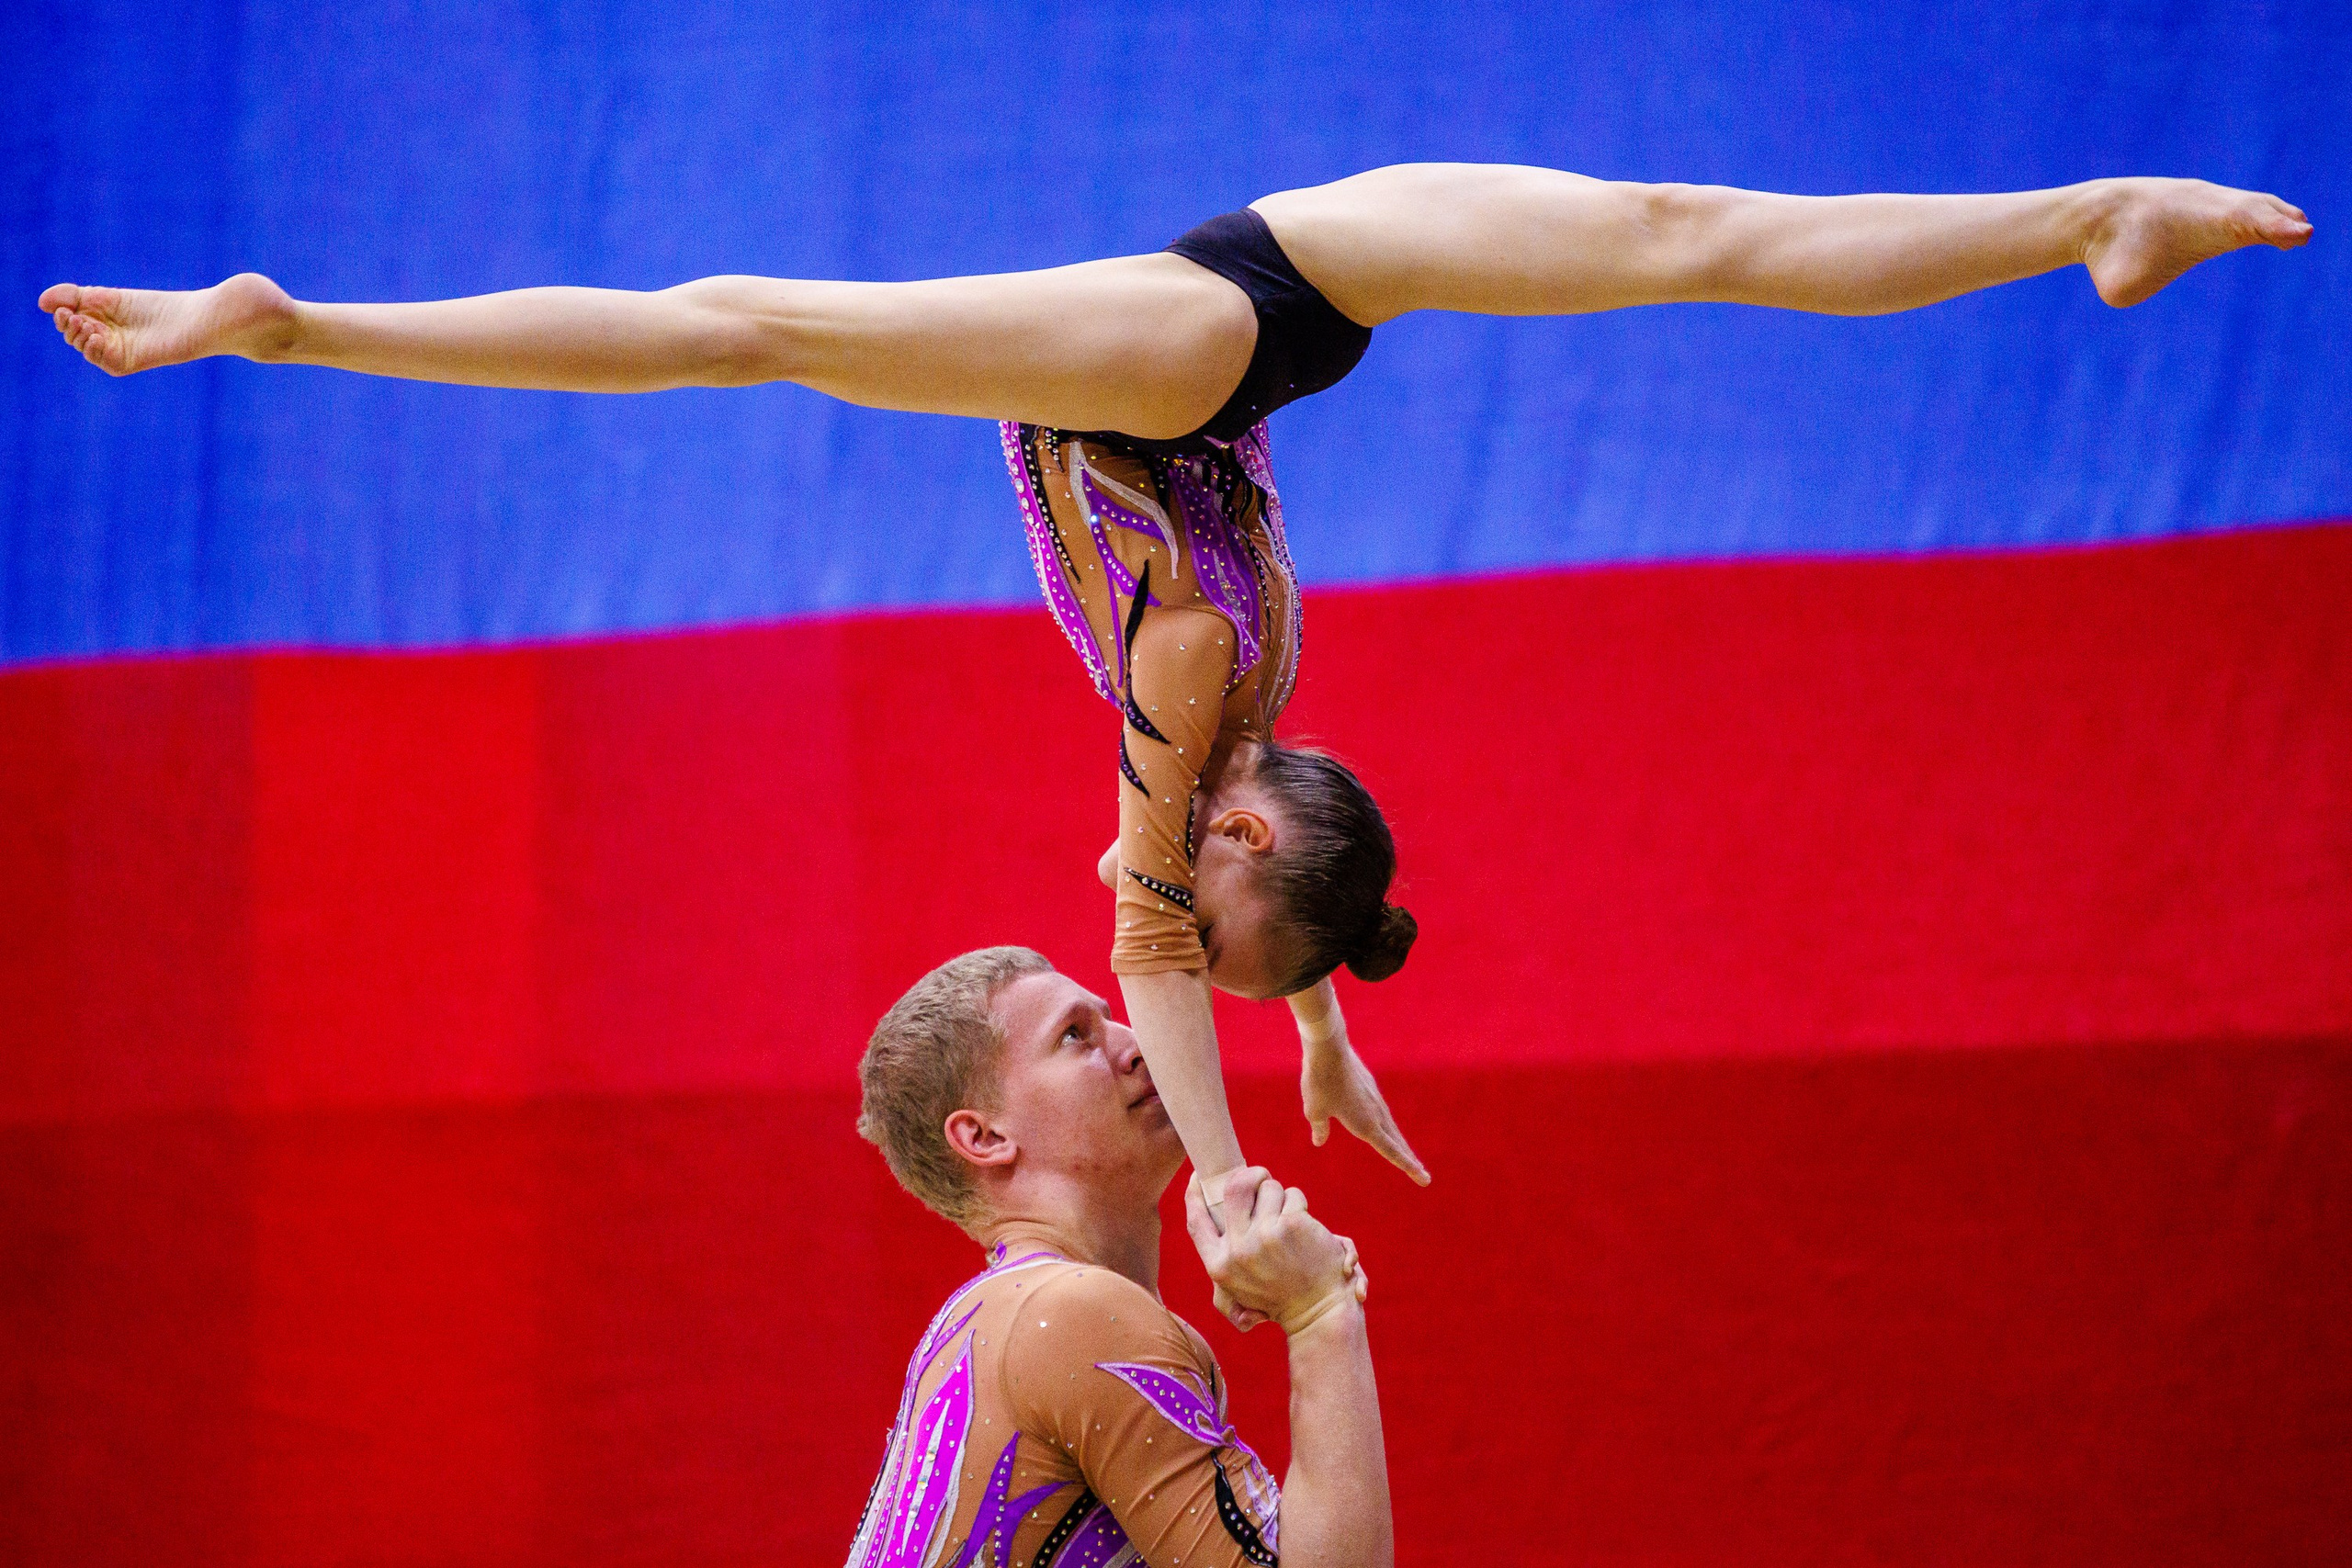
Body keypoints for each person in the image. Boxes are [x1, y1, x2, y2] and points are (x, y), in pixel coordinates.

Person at [40, 163, 2312, 1223]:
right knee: (744, 318)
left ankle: (2085, 210)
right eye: (1216, 948)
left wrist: (1318, 1016)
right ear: (1235, 841)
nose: (1158, 981)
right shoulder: (1200, 684)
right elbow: (1156, 917)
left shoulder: (1263, 742)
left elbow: (1238, 894)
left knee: (1671, 237)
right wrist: (1228, 1192)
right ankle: (291, 313)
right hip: (1164, 357)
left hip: (1278, 302)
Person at [849, 944, 1387, 1568]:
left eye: (1113, 1017)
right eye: (1075, 1035)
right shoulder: (1073, 1313)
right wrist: (1320, 1311)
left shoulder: (990, 1321)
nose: (1138, 1044)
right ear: (986, 1137)